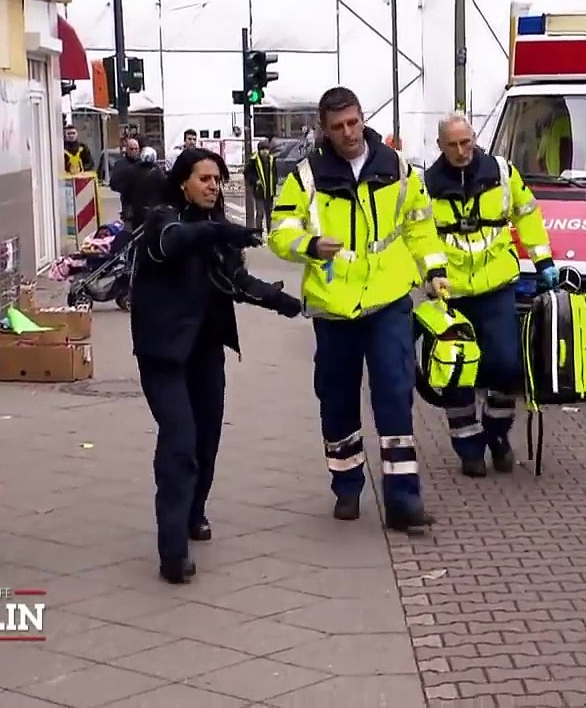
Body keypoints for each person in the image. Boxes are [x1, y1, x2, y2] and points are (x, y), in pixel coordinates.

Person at [268, 86, 448, 531]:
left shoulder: (397, 169)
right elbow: (280, 230)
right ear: (324, 130)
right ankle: (347, 487)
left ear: (363, 118)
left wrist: (434, 269)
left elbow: (420, 227)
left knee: (395, 393)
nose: (348, 132)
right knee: (337, 399)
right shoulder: (307, 176)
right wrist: (310, 244)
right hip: (335, 308)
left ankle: (403, 500)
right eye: (338, 127)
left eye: (353, 122)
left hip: (388, 300)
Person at [131, 147, 303, 584]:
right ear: (183, 182)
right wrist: (216, 230)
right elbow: (171, 243)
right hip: (164, 354)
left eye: (217, 180)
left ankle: (194, 512)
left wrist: (282, 301)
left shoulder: (216, 228)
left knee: (206, 442)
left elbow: (235, 280)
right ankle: (173, 552)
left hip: (206, 351)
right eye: (204, 178)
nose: (212, 186)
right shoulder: (163, 219)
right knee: (179, 443)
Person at [424, 113, 556, 478]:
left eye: (466, 142)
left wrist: (543, 260)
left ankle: (497, 435)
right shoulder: (426, 186)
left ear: (474, 138)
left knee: (505, 366)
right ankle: (468, 448)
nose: (461, 150)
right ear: (440, 146)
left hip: (497, 286)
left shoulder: (501, 173)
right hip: (451, 294)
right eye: (452, 145)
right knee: (456, 372)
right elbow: (419, 236)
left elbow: (527, 214)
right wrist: (429, 276)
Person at [244, 140, 277, 233]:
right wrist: (255, 181)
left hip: (269, 191)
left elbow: (274, 173)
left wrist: (275, 184)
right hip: (259, 192)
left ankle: (270, 232)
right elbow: (247, 172)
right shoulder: (254, 160)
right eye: (263, 149)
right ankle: (259, 233)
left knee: (270, 214)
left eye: (266, 149)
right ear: (259, 150)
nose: (265, 152)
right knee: (260, 213)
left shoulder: (272, 160)